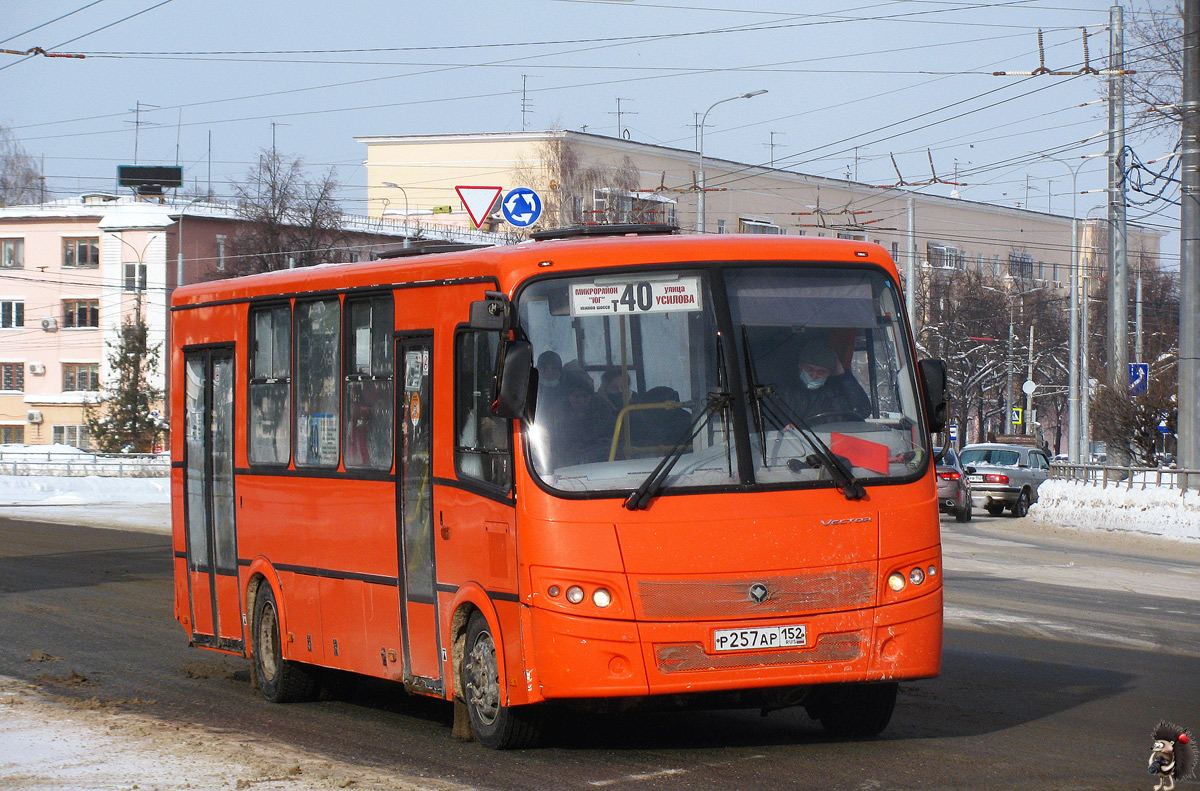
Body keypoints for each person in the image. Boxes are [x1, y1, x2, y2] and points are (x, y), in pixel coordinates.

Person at [785, 336, 871, 423]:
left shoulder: (835, 394)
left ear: (830, 373)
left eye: (821, 372)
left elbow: (862, 411)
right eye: (810, 369)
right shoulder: (786, 392)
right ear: (800, 366)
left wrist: (843, 375)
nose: (814, 376)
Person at [550, 369, 616, 467]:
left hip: (602, 461)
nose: (581, 400)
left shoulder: (603, 410)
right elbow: (553, 442)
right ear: (568, 397)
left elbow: (613, 438)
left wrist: (592, 447)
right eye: (576, 396)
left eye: (585, 396)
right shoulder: (556, 413)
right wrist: (568, 450)